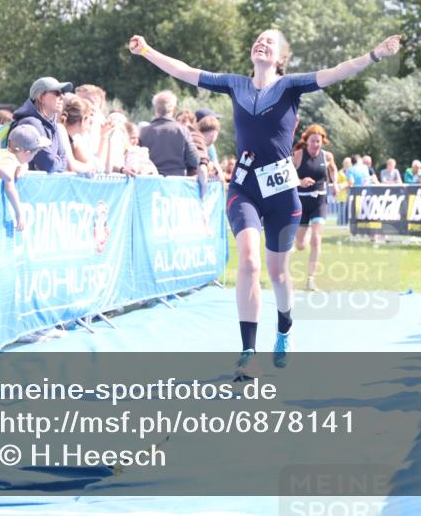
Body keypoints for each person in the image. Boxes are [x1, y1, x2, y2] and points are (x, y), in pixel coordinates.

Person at [129, 28, 401, 379]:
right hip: (244, 188)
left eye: (269, 42)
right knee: (249, 262)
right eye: (258, 39)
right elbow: (184, 70)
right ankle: (248, 353)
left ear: (280, 58)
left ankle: (285, 327)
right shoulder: (234, 85)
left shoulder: (291, 86)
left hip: (281, 195)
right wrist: (147, 50)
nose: (262, 42)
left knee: (279, 273)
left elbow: (337, 71)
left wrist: (375, 55)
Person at [292, 124, 338, 291]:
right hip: (301, 202)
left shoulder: (327, 156)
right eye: (312, 141)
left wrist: (335, 184)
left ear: (322, 141)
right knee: (300, 245)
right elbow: (286, 174)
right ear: (307, 141)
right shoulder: (298, 155)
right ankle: (306, 234)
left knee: (316, 240)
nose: (315, 145)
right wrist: (300, 182)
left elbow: (333, 170)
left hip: (319, 201)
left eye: (318, 141)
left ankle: (310, 279)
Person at [11, 77, 72, 173]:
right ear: (41, 97)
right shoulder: (30, 123)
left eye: (63, 93)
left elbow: (64, 160)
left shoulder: (53, 124)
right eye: (57, 93)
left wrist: (56, 162)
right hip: (28, 182)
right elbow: (48, 165)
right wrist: (57, 161)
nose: (62, 97)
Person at [141, 91, 200, 177]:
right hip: (177, 180)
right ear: (174, 108)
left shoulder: (143, 132)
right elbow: (194, 160)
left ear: (155, 108)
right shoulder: (183, 130)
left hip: (151, 180)